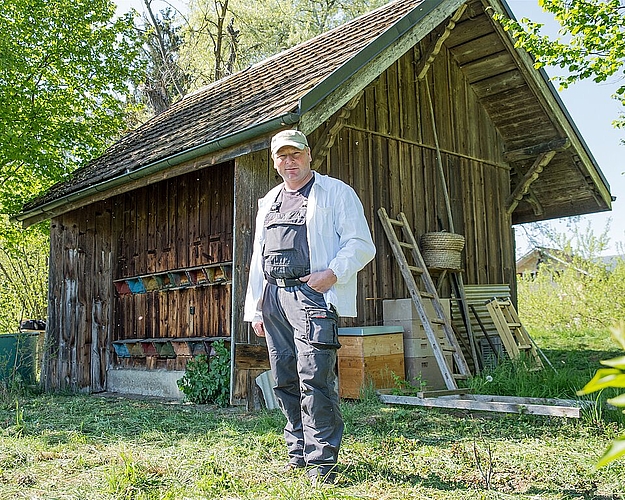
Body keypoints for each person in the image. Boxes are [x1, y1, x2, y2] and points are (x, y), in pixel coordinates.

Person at [244, 129, 376, 485]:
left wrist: (332, 274)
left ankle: (323, 461)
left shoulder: (336, 193)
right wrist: (257, 308)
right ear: (274, 161)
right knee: (284, 377)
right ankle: (299, 452)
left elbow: (361, 244)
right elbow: (258, 258)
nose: (289, 162)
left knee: (314, 377)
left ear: (308, 155)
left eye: (295, 155)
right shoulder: (268, 201)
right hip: (273, 298)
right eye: (281, 157)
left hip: (312, 296)